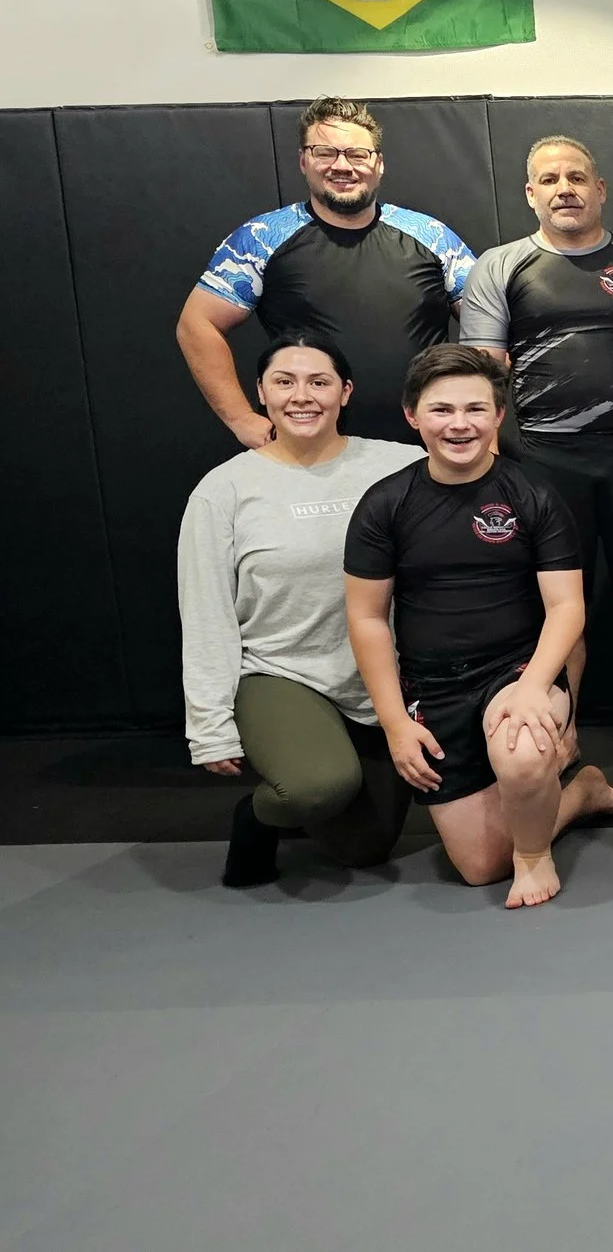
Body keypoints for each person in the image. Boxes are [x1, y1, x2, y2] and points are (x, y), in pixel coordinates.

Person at [344, 346, 613, 908]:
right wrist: (393, 723)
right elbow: (366, 618)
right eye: (441, 410)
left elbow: (566, 608)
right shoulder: (385, 504)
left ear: (498, 416)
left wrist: (535, 685)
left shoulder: (532, 495)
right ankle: (579, 792)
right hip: (433, 686)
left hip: (515, 668)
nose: (460, 424)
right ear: (412, 415)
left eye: (475, 409)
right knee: (481, 867)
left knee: (523, 748)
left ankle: (535, 856)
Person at [462, 134, 613, 758]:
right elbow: (485, 370)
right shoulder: (501, 266)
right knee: (558, 599)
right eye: (549, 180)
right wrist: (486, 459)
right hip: (543, 457)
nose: (564, 188)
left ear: (600, 189)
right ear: (530, 194)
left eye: (577, 177)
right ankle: (562, 734)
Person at [180, 333, 422, 887]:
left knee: (365, 848)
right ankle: (256, 819)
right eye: (284, 382)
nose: (301, 395)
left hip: (383, 679)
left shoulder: (403, 465)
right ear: (261, 394)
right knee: (316, 789)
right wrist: (210, 728)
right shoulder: (225, 491)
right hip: (282, 672)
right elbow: (206, 612)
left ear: (345, 392)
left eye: (319, 382)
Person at [179, 97, 475, 444]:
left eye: (356, 154)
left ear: (378, 164)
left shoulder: (433, 236)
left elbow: (490, 325)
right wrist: (242, 420)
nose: (341, 165)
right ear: (304, 161)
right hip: (310, 451)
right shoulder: (261, 239)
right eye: (325, 153)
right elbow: (197, 324)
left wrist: (482, 427)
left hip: (427, 449)